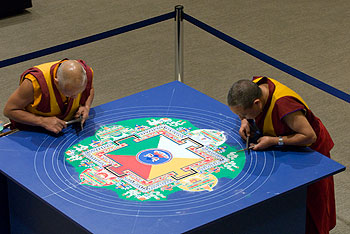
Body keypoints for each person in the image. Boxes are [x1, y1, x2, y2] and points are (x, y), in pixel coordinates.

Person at [227, 76, 335, 234]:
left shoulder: (284, 105)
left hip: (311, 152)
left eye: (244, 113)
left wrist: (274, 140)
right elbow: (245, 113)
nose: (243, 117)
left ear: (257, 103)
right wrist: (245, 121)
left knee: (312, 204)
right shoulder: (256, 87)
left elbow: (309, 136)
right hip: (290, 148)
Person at [3, 58, 94, 134]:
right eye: (70, 94)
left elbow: (90, 89)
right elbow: (9, 110)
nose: (75, 97)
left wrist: (86, 106)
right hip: (34, 131)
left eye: (79, 92)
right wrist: (42, 121)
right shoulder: (35, 83)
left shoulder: (84, 74)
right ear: (56, 82)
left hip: (67, 129)